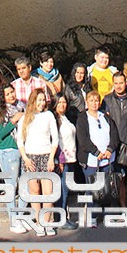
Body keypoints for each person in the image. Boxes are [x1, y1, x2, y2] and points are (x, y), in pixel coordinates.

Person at [17, 88, 59, 235]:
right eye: (39, 100)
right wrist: (25, 158)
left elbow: (55, 138)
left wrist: (51, 158)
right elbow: (20, 141)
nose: (41, 103)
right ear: (33, 101)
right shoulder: (25, 118)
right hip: (31, 158)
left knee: (48, 192)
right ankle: (39, 222)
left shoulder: (49, 116)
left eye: (43, 100)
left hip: (46, 156)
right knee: (35, 191)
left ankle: (47, 221)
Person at [0, 83, 27, 234]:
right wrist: (13, 120)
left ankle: (20, 216)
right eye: (7, 94)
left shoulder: (22, 107)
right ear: (3, 97)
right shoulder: (0, 112)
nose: (11, 95)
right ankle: (14, 221)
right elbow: (1, 133)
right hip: (8, 151)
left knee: (25, 184)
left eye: (12, 92)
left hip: (23, 149)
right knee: (11, 186)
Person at [76, 91, 119, 183]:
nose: (94, 103)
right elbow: (83, 139)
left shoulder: (105, 117)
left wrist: (110, 150)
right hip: (91, 161)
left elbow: (114, 134)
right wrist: (96, 152)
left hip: (108, 160)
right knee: (93, 188)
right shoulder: (82, 118)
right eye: (91, 101)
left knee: (107, 188)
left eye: (96, 100)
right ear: (86, 102)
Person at [102, 71, 127, 206]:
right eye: (116, 83)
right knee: (118, 177)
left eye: (121, 83)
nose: (119, 86)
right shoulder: (107, 100)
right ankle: (121, 206)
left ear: (126, 83)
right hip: (114, 142)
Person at [53, 94, 78, 228]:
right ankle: (60, 219)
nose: (62, 105)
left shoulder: (65, 118)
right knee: (63, 190)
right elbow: (55, 141)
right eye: (59, 102)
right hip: (62, 159)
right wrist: (59, 160)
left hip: (71, 158)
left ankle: (62, 217)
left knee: (66, 189)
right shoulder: (54, 119)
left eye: (64, 102)